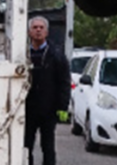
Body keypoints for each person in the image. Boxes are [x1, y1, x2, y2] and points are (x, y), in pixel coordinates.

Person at [24, 16, 70, 165]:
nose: (38, 30)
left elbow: (64, 82)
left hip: (48, 110)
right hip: (27, 109)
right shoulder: (23, 55)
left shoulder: (56, 55)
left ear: (47, 32)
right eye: (35, 27)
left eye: (41, 28)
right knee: (25, 146)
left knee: (48, 146)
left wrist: (63, 107)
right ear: (29, 32)